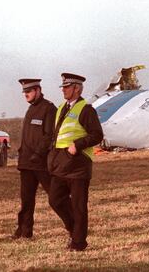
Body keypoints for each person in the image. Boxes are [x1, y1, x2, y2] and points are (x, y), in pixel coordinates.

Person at [48, 73, 103, 251]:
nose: (63, 89)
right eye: (63, 87)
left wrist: (77, 145)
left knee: (79, 206)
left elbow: (97, 135)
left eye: (66, 87)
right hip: (61, 165)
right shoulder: (61, 108)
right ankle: (74, 230)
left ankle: (79, 242)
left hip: (78, 165)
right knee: (55, 200)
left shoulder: (86, 109)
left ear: (77, 88)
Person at [13, 78, 57, 239]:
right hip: (26, 164)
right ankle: (24, 231)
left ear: (38, 90)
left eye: (29, 91)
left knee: (56, 197)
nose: (26, 94)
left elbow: (48, 136)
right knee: (26, 200)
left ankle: (74, 226)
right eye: (24, 92)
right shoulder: (30, 110)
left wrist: (38, 154)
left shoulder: (49, 109)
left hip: (41, 163)